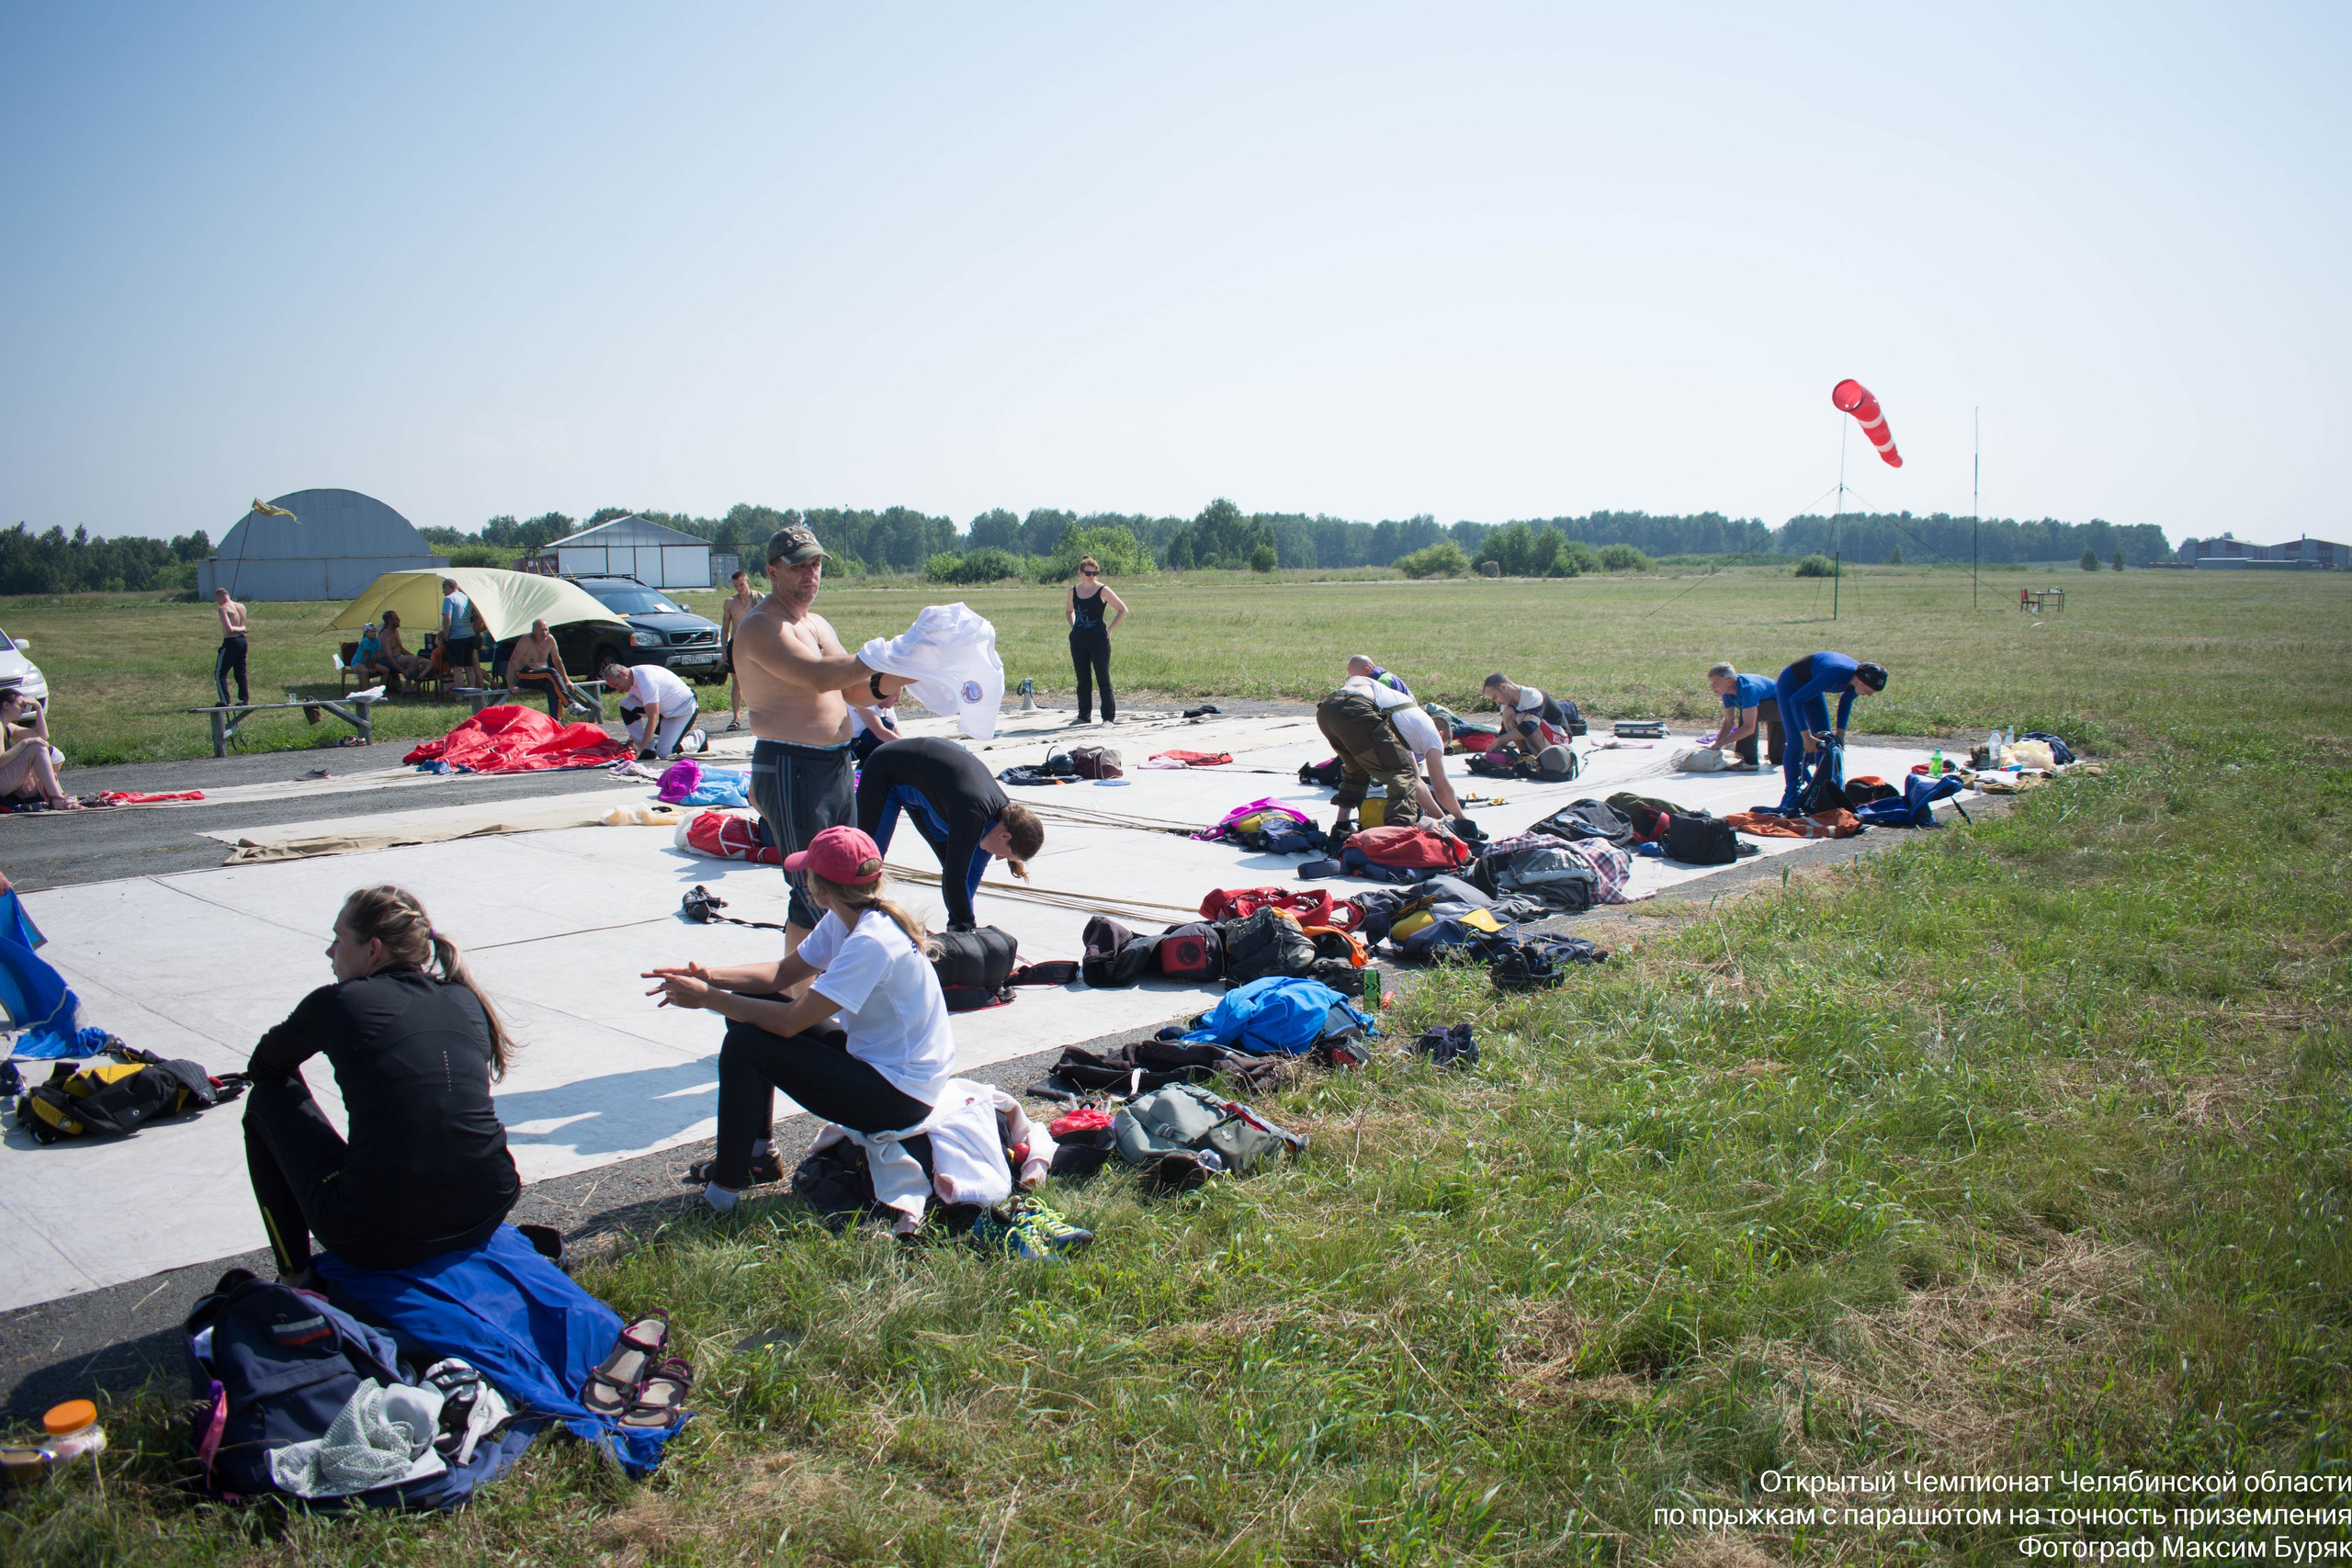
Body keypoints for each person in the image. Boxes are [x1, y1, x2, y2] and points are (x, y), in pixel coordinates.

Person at [643, 827, 951, 1213]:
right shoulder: (851, 916)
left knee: (744, 1045)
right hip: (884, 1070)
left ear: (818, 886)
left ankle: (721, 1197)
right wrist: (709, 977)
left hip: (900, 1097)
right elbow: (781, 974)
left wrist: (708, 998)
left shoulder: (871, 942)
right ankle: (757, 1157)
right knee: (750, 1009)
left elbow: (789, 1021)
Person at [243, 886, 520, 1280]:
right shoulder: (462, 998)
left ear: (373, 949)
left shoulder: (338, 1001)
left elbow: (265, 1067)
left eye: (338, 940)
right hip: (488, 1208)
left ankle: (293, 1276)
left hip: (376, 1237)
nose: (330, 952)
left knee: (267, 1098)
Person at [732, 525, 913, 957]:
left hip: (834, 764)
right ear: (772, 571)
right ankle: (806, 989)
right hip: (791, 765)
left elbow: (853, 692)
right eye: (799, 566)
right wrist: (885, 655)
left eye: (815, 565)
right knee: (814, 888)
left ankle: (809, 987)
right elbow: (818, 677)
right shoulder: (761, 626)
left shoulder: (816, 624)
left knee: (845, 877)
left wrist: (902, 674)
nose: (810, 574)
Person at [854, 737, 1046, 931]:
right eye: (1004, 855)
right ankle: (852, 923)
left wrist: (958, 923)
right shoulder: (972, 815)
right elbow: (955, 879)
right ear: (1005, 836)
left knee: (955, 869)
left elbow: (970, 876)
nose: (998, 857)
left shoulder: (998, 824)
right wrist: (965, 924)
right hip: (887, 770)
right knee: (868, 862)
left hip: (925, 784)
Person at [1343, 656, 1465, 822]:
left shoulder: (1383, 682)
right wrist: (1457, 818)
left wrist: (1445, 818)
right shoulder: (1384, 682)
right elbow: (1430, 786)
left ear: (1367, 670)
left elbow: (1430, 786)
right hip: (1397, 731)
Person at [1771, 652, 1888, 812]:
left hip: (1811, 682)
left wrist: (1840, 735)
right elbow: (1795, 701)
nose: (1869, 695)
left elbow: (1846, 701)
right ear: (1860, 680)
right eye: (1869, 691)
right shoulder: (1836, 674)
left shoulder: (1858, 679)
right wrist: (1806, 737)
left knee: (1827, 741)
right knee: (1796, 742)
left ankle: (1823, 790)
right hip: (1790, 685)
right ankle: (1791, 796)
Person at [1316, 669, 1424, 840]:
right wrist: (1450, 817)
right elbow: (1434, 784)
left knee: (1357, 769)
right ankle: (1398, 834)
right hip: (1353, 709)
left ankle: (1340, 828)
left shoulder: (1412, 716)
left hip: (1327, 710)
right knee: (1402, 773)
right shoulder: (1432, 736)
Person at [1065, 557, 1127, 726]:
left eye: (1095, 573)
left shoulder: (1103, 590)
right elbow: (1069, 611)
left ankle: (1108, 717)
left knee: (1103, 679)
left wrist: (1110, 629)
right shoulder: (1073, 591)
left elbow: (1123, 610)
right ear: (1081, 573)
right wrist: (1074, 627)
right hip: (1079, 640)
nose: (1091, 576)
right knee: (1083, 679)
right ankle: (1084, 715)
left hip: (1098, 639)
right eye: (1088, 573)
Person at [601, 659, 705, 759]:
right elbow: (635, 712)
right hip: (664, 712)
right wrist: (633, 740)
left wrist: (640, 749)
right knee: (626, 704)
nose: (617, 689)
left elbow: (653, 718)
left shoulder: (646, 681)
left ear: (623, 674)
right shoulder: (629, 681)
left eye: (617, 685)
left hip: (682, 710)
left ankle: (699, 737)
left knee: (664, 752)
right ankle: (648, 749)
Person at [0, 686, 79, 810]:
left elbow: (42, 736)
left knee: (39, 748)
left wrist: (38, 709)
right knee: (36, 748)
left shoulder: (7, 726)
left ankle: (59, 796)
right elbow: (1, 761)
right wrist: (24, 743)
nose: (23, 709)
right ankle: (57, 799)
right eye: (20, 705)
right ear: (6, 705)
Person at [1704, 661, 1782, 771]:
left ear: (1728, 681)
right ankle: (1799, 752)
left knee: (1749, 712)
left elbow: (1749, 728)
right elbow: (1729, 722)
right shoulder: (1726, 692)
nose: (1712, 686)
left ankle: (1749, 761)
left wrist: (1723, 742)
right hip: (1772, 706)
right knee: (1778, 758)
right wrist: (1717, 745)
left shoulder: (1748, 689)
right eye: (1711, 683)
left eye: (1715, 683)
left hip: (1785, 707)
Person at [510, 619, 586, 719]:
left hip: (543, 676)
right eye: (541, 630)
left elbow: (557, 659)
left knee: (552, 685)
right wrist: (511, 685)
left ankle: (556, 720)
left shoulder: (550, 639)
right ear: (534, 631)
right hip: (525, 675)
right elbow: (513, 661)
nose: (545, 633)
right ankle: (571, 704)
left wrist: (566, 680)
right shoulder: (526, 640)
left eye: (546, 630)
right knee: (551, 672)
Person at [1480, 673, 1570, 753]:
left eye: (1495, 697)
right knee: (1508, 713)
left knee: (1523, 718)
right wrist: (1493, 749)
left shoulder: (1532, 696)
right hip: (1539, 738)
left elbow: (1529, 727)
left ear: (1504, 687)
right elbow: (1505, 731)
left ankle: (1543, 758)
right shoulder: (1505, 706)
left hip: (1560, 740)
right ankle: (1525, 755)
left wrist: (1499, 741)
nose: (1497, 703)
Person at [719, 569, 756, 732]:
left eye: (741, 584)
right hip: (735, 643)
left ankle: (760, 715)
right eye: (736, 586)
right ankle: (736, 718)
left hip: (754, 644)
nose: (739, 588)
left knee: (758, 680)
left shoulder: (759, 599)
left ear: (747, 581)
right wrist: (723, 649)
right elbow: (725, 627)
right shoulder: (730, 602)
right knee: (737, 682)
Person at [439, 578, 484, 691]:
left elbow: (447, 618)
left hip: (456, 637)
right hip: (469, 635)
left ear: (447, 587)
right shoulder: (466, 597)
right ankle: (471, 691)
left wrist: (446, 634)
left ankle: (459, 694)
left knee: (457, 667)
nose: (443, 592)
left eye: (443, 589)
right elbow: (478, 615)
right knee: (469, 666)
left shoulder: (449, 599)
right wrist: (475, 629)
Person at [212, 588, 249, 706]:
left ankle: (225, 701)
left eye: (217, 599)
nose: (217, 602)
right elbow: (241, 625)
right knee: (240, 672)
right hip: (242, 641)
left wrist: (242, 628)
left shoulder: (223, 608)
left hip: (231, 642)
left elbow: (230, 629)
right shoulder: (241, 606)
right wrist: (243, 628)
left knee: (220, 673)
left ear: (219, 596)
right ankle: (244, 699)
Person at [377, 610, 428, 682]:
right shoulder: (384, 635)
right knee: (412, 660)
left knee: (425, 662)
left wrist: (415, 656)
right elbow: (388, 657)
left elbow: (401, 649)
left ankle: (415, 687)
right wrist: (402, 670)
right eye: (396, 618)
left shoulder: (395, 631)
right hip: (386, 661)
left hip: (398, 658)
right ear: (390, 621)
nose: (399, 620)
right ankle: (408, 687)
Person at [849, 698, 899, 763]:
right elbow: (881, 732)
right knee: (885, 724)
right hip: (851, 747)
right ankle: (867, 764)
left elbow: (896, 730)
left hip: (863, 743)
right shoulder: (863, 701)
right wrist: (907, 749)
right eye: (896, 696)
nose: (898, 701)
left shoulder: (889, 709)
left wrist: (905, 749)